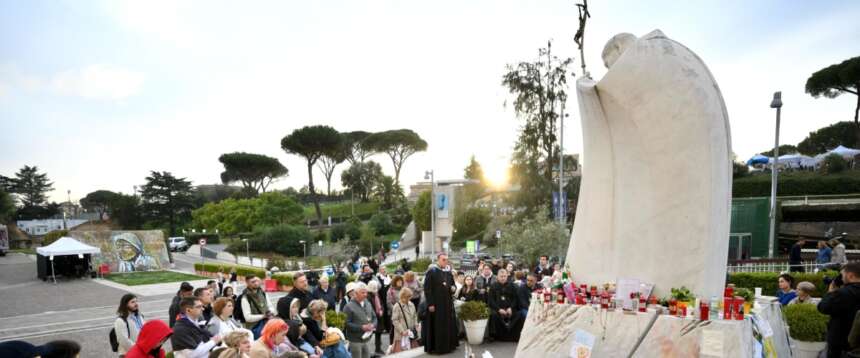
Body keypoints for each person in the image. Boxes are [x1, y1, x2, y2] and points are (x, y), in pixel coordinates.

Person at [819, 262, 860, 358]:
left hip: (841, 345)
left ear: (850, 276)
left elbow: (823, 307)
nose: (840, 278)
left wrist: (831, 292)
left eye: (842, 275)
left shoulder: (843, 293)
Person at [423, 253, 459, 354]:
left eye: (447, 260)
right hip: (436, 304)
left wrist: (453, 288)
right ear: (438, 260)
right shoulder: (432, 272)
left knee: (447, 325)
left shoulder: (448, 272)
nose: (445, 261)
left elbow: (453, 285)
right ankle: (437, 348)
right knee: (437, 326)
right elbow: (427, 289)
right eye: (443, 259)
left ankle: (448, 346)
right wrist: (430, 304)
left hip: (447, 304)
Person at [487, 269, 524, 342]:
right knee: (493, 315)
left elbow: (515, 299)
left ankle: (514, 335)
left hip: (510, 309)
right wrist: (499, 309)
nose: (503, 278)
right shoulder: (493, 286)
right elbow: (491, 301)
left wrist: (511, 308)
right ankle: (495, 336)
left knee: (520, 314)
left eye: (504, 276)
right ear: (497, 276)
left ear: (507, 276)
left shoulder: (513, 286)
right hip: (498, 310)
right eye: (501, 276)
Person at [344, 282, 377, 358]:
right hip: (355, 340)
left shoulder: (367, 303)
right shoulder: (348, 306)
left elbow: (374, 317)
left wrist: (373, 325)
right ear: (355, 293)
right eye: (363, 293)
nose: (365, 294)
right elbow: (346, 324)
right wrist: (361, 327)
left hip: (367, 339)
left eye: (366, 292)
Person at [390, 287, 419, 353]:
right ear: (403, 296)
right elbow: (395, 320)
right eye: (407, 297)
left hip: (411, 333)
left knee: (412, 353)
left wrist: (416, 324)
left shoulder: (411, 304)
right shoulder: (397, 306)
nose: (409, 298)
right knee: (401, 353)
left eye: (410, 297)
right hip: (401, 335)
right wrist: (402, 331)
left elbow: (415, 316)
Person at [367, 280, 386, 355]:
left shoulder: (376, 295)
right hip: (373, 317)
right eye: (375, 288)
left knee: (379, 333)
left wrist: (382, 310)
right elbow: (369, 308)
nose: (376, 290)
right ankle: (366, 350)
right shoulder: (368, 296)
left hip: (379, 317)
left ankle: (378, 349)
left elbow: (381, 304)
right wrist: (377, 313)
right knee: (368, 335)